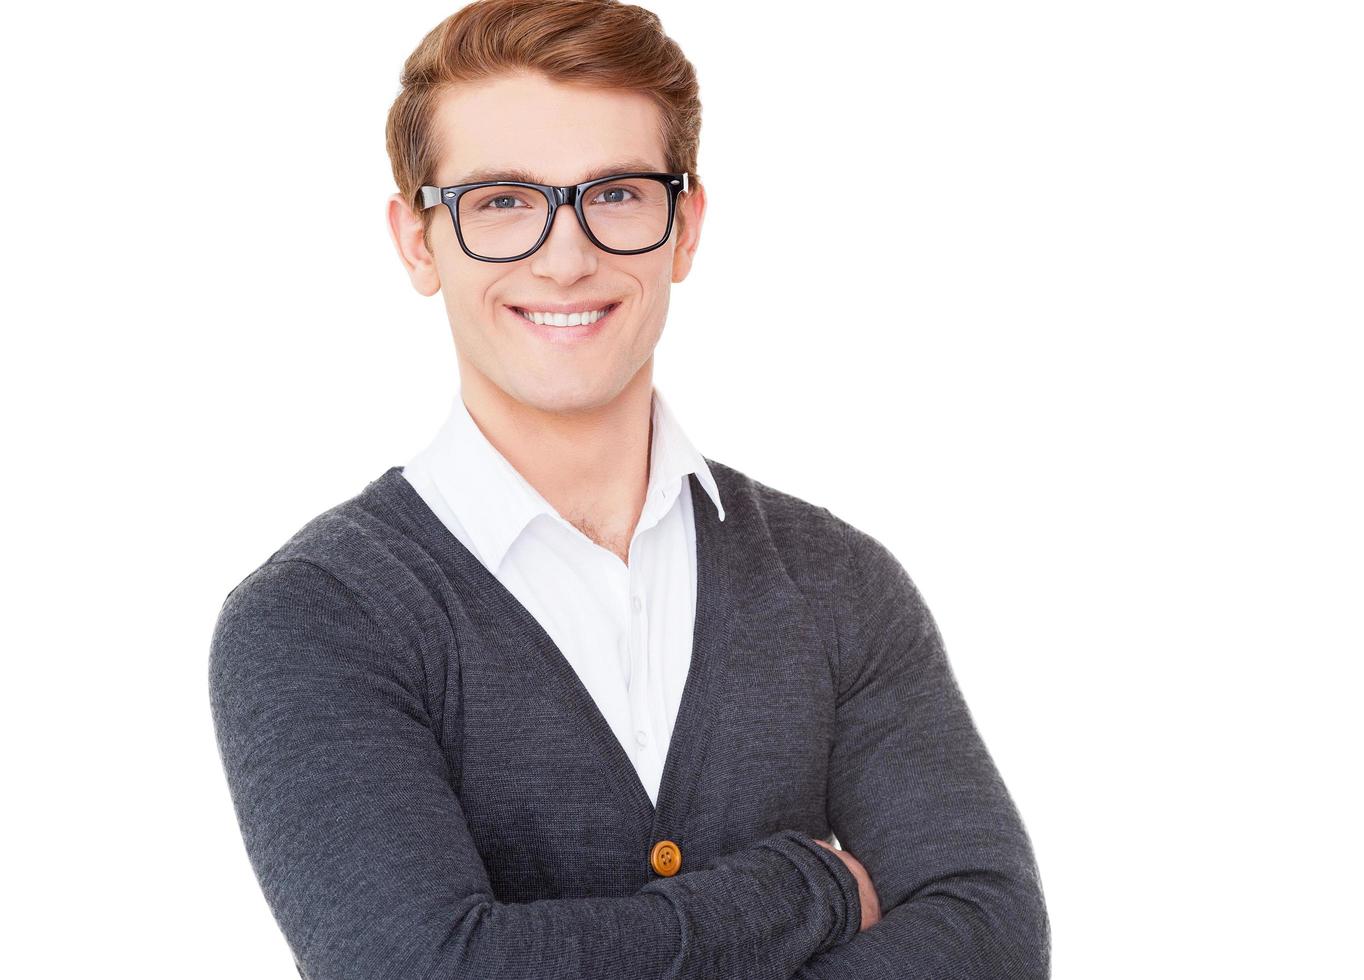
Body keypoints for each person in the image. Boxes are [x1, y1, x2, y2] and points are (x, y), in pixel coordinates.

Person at [207, 2, 1049, 978]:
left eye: (614, 194)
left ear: (683, 228)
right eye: (502, 203)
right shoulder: (315, 619)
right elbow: (423, 969)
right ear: (416, 242)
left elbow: (991, 932)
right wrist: (802, 888)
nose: (566, 257)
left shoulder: (839, 585)